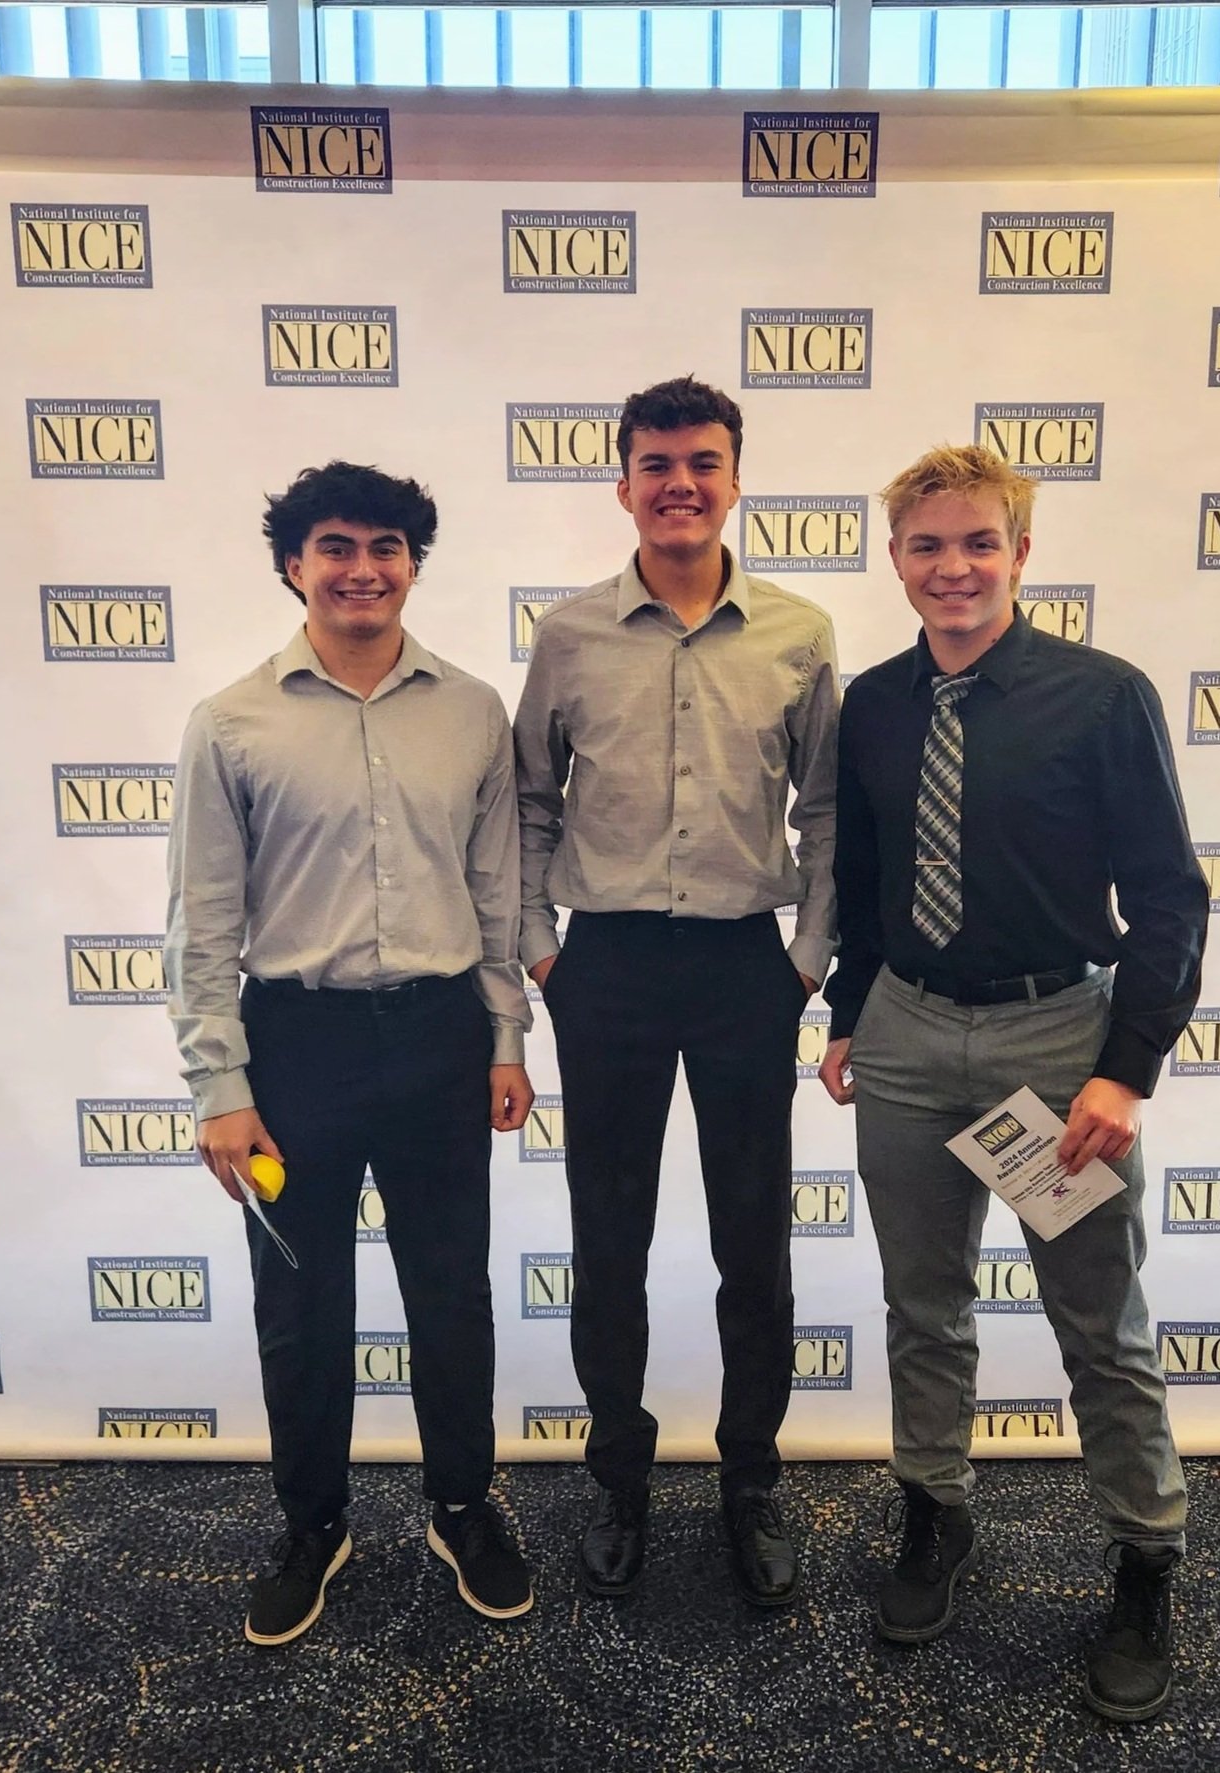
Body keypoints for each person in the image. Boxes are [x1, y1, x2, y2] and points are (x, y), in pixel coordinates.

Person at [818, 444, 1208, 1721]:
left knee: (1097, 1318)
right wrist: (843, 1017)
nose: (954, 568)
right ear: (898, 561)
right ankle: (936, 1515)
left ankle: (1145, 1561)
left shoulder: (1101, 698)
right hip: (909, 1042)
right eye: (927, 546)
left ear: (1022, 555)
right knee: (922, 1305)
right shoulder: (873, 705)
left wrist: (1125, 1071)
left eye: (979, 543)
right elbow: (868, 885)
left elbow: (1166, 897)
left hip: (1054, 1053)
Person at [164, 461, 536, 1647]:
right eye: (335, 545)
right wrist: (221, 1086)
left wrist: (504, 1039)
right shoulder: (231, 722)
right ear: (294, 565)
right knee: (300, 1302)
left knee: (451, 1292)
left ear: (414, 563)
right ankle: (311, 1522)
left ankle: (462, 1504)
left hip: (436, 1040)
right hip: (295, 1052)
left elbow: (497, 891)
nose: (361, 567)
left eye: (385, 545)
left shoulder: (474, 710)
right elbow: (202, 922)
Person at [514, 375, 838, 1606]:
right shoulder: (570, 634)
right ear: (624, 484)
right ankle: (618, 1479)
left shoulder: (798, 633)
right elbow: (531, 802)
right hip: (608, 972)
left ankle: (751, 1479)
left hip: (746, 967)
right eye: (656, 464)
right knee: (611, 1239)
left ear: (735, 478)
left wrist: (805, 962)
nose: (680, 485)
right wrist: (545, 952)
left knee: (753, 1241)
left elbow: (826, 810)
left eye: (703, 461)